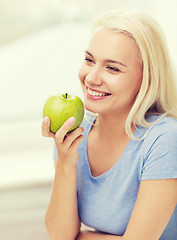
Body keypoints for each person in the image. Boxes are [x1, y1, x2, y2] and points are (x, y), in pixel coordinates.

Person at [42, 9, 177, 240]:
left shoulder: (164, 139)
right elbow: (60, 234)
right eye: (89, 60)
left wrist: (81, 237)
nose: (92, 78)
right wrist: (65, 162)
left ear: (146, 79)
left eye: (112, 68)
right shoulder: (73, 129)